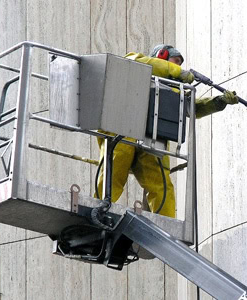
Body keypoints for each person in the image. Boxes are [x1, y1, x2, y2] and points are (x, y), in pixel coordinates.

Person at [95, 44, 239, 218]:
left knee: (162, 186)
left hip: (152, 138)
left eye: (179, 64)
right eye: (174, 61)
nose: (178, 66)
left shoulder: (172, 90)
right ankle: (96, 208)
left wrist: (219, 101)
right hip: (123, 129)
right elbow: (134, 61)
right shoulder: (137, 63)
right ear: (161, 57)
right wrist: (175, 71)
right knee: (113, 173)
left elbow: (191, 108)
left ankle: (165, 224)